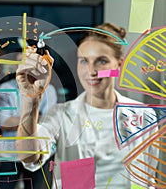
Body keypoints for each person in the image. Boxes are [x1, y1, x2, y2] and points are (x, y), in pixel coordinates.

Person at [15, 23, 159, 188]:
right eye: (84, 61)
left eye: (101, 61)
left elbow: (148, 179)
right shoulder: (62, 115)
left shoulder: (144, 115)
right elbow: (29, 156)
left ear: (119, 65)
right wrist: (31, 99)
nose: (91, 71)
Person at [0, 52, 57, 188]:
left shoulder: (49, 90)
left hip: (39, 152)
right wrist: (34, 118)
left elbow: (47, 124)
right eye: (19, 62)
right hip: (10, 154)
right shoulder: (5, 88)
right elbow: (4, 123)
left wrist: (17, 120)